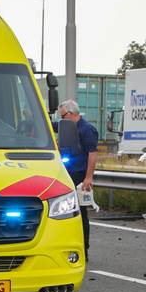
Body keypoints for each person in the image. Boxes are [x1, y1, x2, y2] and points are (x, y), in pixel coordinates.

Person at [54, 100, 98, 260]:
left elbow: (92, 154)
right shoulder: (67, 128)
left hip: (79, 176)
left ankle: (84, 249)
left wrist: (88, 177)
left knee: (81, 212)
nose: (61, 120)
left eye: (63, 116)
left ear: (72, 114)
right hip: (66, 174)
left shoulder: (87, 130)